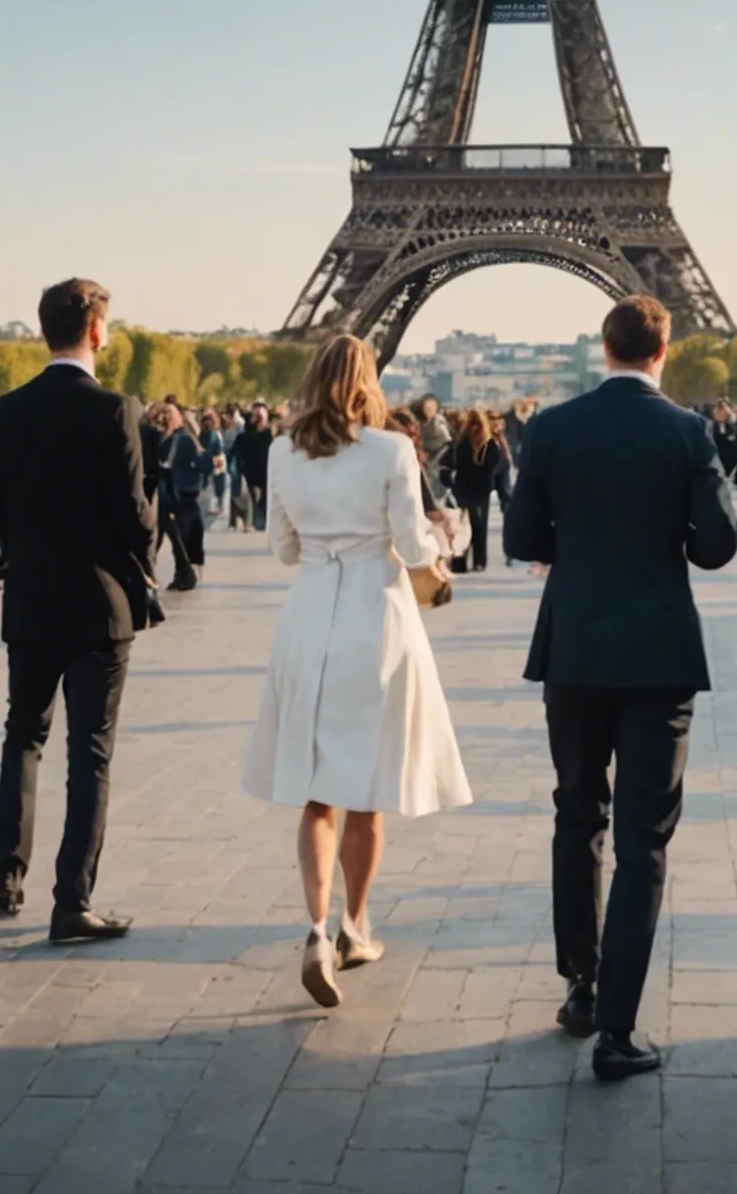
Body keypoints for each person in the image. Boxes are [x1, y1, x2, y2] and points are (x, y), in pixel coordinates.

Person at [505, 294, 737, 1083]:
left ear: (604, 346)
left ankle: (581, 981)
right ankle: (619, 1025)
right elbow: (717, 546)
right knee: (645, 839)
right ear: (664, 350)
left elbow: (520, 537)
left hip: (574, 645)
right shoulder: (687, 431)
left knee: (578, 812)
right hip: (658, 651)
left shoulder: (551, 428)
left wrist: (578, 543)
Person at [244, 335, 471, 1009]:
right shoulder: (391, 450)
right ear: (368, 381)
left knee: (318, 794)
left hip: (310, 611)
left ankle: (314, 927)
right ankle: (355, 923)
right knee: (367, 790)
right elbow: (409, 544)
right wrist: (444, 534)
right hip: (375, 619)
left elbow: (281, 548)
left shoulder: (282, 450)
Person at [0, 278, 158, 943]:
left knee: (22, 735)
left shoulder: (2, 412)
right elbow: (133, 519)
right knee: (90, 753)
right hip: (99, 602)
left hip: (28, 595)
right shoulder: (116, 408)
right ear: (98, 331)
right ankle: (70, 898)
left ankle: (7, 871)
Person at [444, 408, 510, 574]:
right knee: (476, 525)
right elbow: (500, 463)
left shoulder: (462, 442)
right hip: (478, 488)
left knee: (467, 526)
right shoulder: (486, 443)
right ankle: (477, 561)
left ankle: (462, 561)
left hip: (468, 487)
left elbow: (452, 464)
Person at [151, 402, 208, 591]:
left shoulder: (177, 439)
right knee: (174, 536)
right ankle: (183, 573)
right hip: (174, 493)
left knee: (173, 536)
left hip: (175, 494)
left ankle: (183, 573)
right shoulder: (176, 438)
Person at [229, 403, 274, 532]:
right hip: (250, 473)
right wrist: (236, 469)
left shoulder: (271, 434)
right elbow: (235, 452)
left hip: (268, 472)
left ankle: (261, 521)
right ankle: (254, 521)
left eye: (261, 415)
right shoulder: (245, 435)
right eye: (256, 415)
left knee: (265, 498)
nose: (258, 418)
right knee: (253, 496)